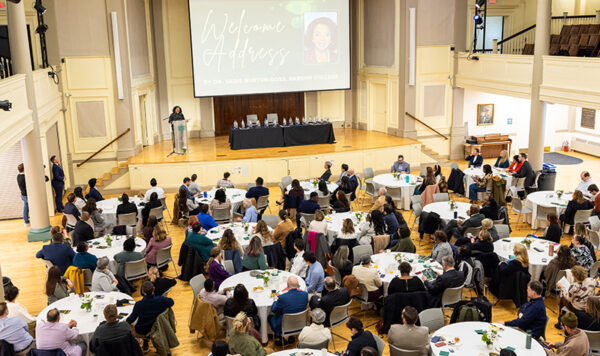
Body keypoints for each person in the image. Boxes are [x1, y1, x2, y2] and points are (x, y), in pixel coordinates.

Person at [126, 281, 174, 350]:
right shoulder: (161, 300)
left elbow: (130, 320)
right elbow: (172, 302)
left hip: (143, 330)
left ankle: (142, 344)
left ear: (142, 291)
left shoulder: (139, 305)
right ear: (154, 289)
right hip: (159, 327)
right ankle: (147, 341)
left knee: (131, 325)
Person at [269, 276, 308, 343]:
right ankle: (291, 336)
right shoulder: (305, 294)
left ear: (287, 285)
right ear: (298, 285)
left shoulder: (282, 298)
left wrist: (275, 300)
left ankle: (278, 336)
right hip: (300, 323)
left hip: (284, 326)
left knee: (270, 317)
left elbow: (273, 309)